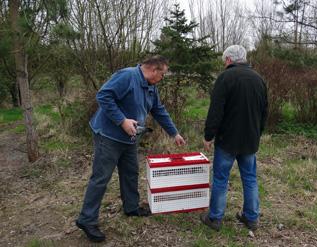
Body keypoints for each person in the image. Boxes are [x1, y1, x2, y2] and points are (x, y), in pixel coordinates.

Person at [76, 55, 186, 242]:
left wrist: (174, 133)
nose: (162, 78)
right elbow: (103, 95)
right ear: (153, 70)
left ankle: (131, 207)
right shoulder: (127, 76)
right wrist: (122, 120)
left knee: (130, 172)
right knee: (101, 177)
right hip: (109, 136)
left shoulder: (151, 87)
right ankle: (86, 219)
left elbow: (158, 110)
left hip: (130, 138)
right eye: (163, 74)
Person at [200, 45, 268, 232]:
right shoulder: (259, 79)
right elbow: (264, 112)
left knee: (221, 178)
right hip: (250, 140)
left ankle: (214, 218)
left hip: (227, 140)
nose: (224, 64)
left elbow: (216, 110)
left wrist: (209, 135)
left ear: (229, 60)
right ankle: (252, 217)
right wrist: (257, 133)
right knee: (250, 178)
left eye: (224, 61)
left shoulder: (225, 78)